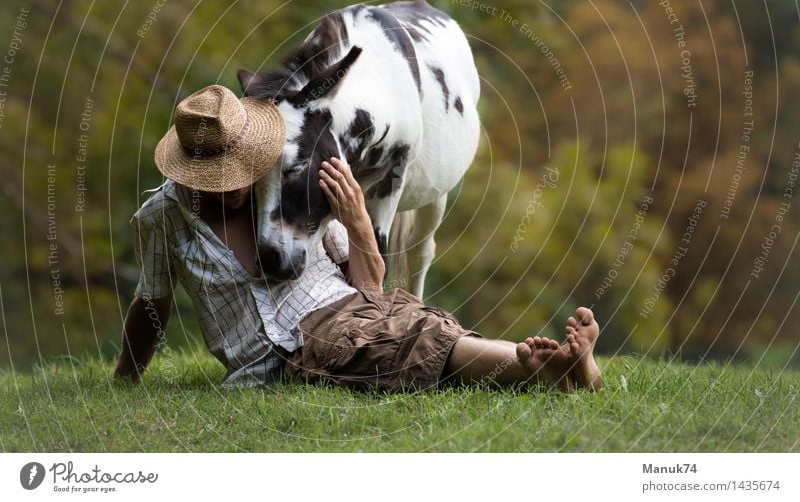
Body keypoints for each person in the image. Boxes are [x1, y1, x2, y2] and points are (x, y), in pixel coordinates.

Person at [114, 84, 602, 392]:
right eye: (222, 178)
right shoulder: (162, 216)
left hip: (352, 313)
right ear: (193, 174)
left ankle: (541, 366)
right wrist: (125, 381)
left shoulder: (292, 182)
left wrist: (357, 222)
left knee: (413, 320)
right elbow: (151, 305)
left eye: (243, 168)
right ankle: (535, 367)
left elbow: (368, 290)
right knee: (397, 341)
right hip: (288, 351)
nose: (239, 185)